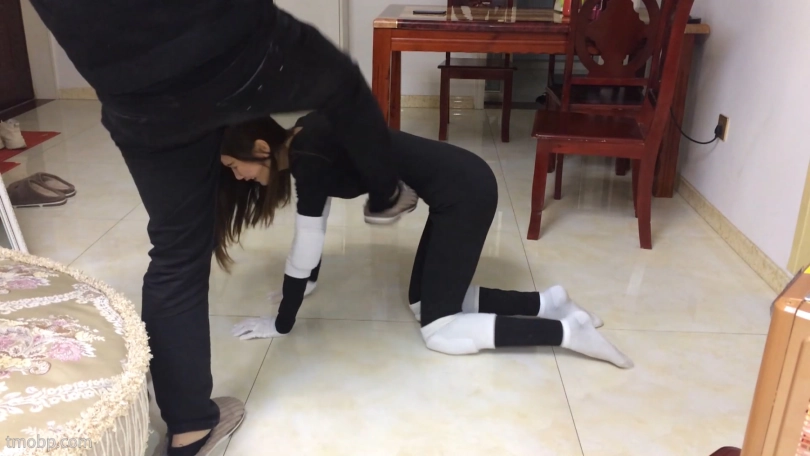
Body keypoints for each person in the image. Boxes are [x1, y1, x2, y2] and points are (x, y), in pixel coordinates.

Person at [26, 2, 417, 454]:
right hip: (227, 40)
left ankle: (189, 430)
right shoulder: (289, 147)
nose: (237, 176)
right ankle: (385, 194)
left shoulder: (303, 155)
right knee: (343, 82)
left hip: (130, 88)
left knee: (176, 257)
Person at [215, 113, 634, 369]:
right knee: (422, 303)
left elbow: (307, 243)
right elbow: (315, 227)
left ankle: (566, 332)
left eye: (236, 166)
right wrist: (304, 284)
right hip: (458, 187)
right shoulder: (307, 140)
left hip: (465, 193)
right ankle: (548, 303)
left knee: (440, 331)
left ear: (261, 147)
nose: (239, 177)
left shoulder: (308, 154)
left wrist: (281, 323)